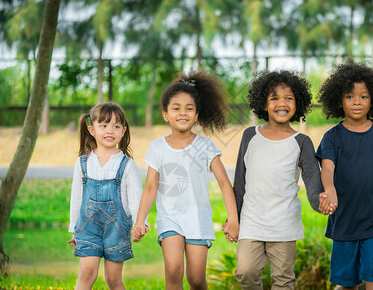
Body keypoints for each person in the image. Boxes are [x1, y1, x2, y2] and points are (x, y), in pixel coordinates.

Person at [131, 71, 239, 289]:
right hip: (169, 218)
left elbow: (225, 184)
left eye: (189, 108)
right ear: (165, 114)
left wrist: (233, 219)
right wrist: (140, 220)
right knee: (173, 270)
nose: (183, 113)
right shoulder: (157, 147)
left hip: (198, 220)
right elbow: (151, 187)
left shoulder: (205, 146)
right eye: (176, 108)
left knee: (196, 279)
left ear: (197, 115)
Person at [315, 62, 373, 290]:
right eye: (350, 96)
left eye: (364, 96)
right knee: (346, 284)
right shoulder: (332, 137)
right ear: (339, 101)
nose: (357, 102)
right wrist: (330, 189)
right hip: (344, 221)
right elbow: (327, 168)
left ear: (372, 100)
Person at [232, 70, 324, 289]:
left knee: (283, 280)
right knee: (245, 271)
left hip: (284, 223)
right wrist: (233, 217)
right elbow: (240, 181)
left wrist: (321, 202)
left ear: (297, 104)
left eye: (288, 98)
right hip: (251, 221)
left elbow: (312, 180)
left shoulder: (301, 141)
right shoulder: (250, 135)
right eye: (274, 98)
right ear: (264, 104)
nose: (281, 103)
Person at [68, 102, 144, 290]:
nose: (110, 131)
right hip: (87, 228)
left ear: (123, 131)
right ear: (91, 129)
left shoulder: (127, 165)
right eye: (103, 125)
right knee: (87, 273)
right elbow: (76, 198)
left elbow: (136, 198)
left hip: (116, 229)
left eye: (116, 126)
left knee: (113, 280)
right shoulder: (82, 163)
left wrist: (140, 223)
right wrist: (74, 228)